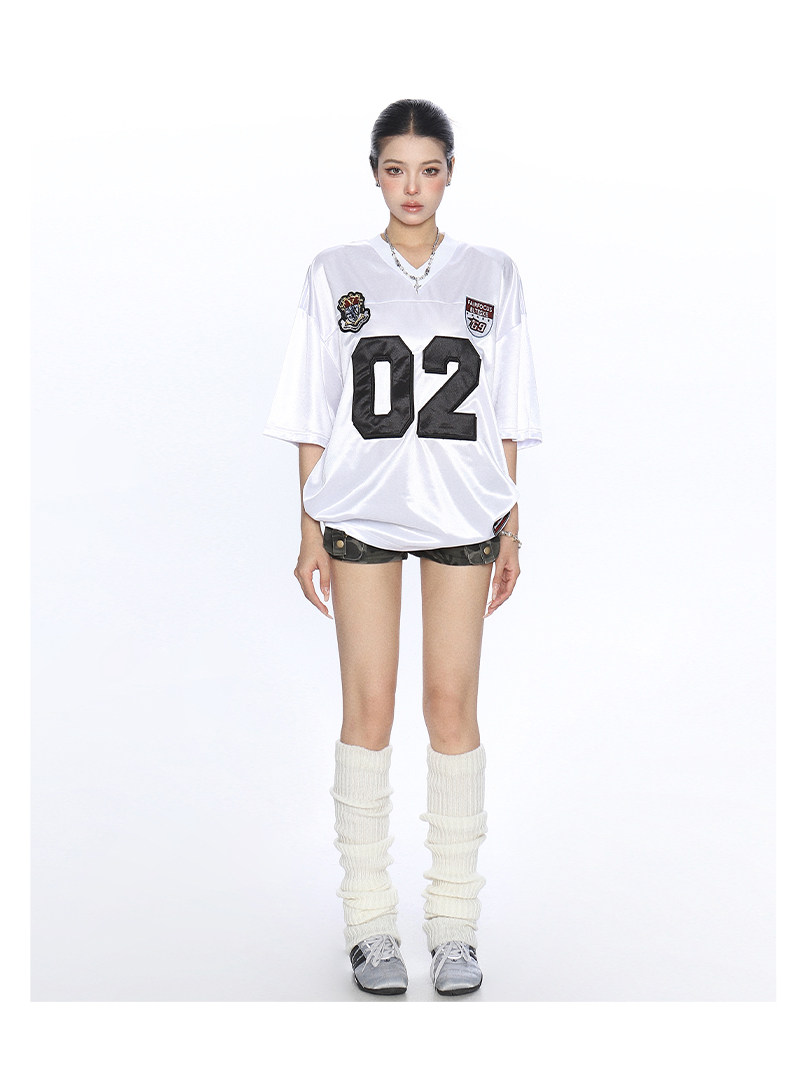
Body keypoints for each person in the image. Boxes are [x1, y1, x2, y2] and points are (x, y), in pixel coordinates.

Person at [263, 99, 542, 996]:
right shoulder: (333, 272)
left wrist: (510, 524)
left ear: (450, 172)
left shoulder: (493, 273)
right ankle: (370, 924)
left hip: (463, 512)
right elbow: (313, 408)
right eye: (395, 169)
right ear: (375, 173)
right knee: (369, 708)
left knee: (451, 708)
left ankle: (454, 925)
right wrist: (307, 524)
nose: (412, 187)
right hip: (359, 511)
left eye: (428, 169)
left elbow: (506, 413)